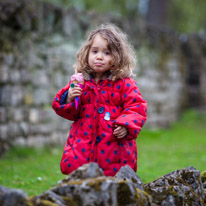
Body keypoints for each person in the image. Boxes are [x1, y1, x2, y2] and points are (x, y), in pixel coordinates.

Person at [52, 24, 147, 176]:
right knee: (81, 187)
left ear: (117, 56)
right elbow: (70, 113)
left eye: (107, 53)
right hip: (82, 150)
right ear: (87, 53)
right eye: (95, 51)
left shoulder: (124, 83)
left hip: (114, 152)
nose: (99, 56)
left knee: (113, 191)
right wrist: (69, 97)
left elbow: (137, 107)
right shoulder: (81, 82)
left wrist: (126, 125)